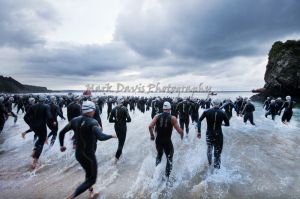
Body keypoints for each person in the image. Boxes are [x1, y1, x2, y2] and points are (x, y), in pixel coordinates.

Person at [59, 101, 116, 199]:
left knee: (88, 173)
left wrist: (62, 146)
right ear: (91, 110)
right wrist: (112, 135)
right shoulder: (93, 122)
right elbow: (101, 137)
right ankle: (72, 196)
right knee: (92, 179)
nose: (94, 111)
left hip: (78, 154)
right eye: (93, 110)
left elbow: (61, 133)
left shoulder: (74, 120)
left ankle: (91, 192)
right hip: (89, 155)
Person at [148, 102, 183, 179]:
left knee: (159, 155)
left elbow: (150, 126)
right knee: (169, 158)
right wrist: (182, 134)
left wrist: (152, 135)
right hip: (167, 141)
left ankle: (156, 174)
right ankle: (166, 178)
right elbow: (179, 131)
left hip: (158, 141)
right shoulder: (173, 118)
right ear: (170, 109)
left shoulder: (157, 116)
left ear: (163, 109)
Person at [23, 95, 55, 169]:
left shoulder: (33, 106)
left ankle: (34, 151)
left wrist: (30, 124)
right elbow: (49, 116)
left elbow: (25, 117)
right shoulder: (46, 106)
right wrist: (53, 121)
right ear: (44, 100)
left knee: (40, 139)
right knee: (41, 143)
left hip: (34, 126)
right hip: (41, 127)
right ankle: (35, 162)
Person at [197, 99, 229, 169]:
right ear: (220, 104)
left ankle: (209, 163)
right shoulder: (223, 113)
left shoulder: (206, 111)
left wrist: (199, 132)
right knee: (217, 152)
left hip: (209, 134)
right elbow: (227, 124)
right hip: (218, 134)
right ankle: (216, 170)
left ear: (212, 104)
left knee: (209, 149)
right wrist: (221, 124)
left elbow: (199, 121)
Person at [109, 96, 131, 164]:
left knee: (120, 141)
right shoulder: (125, 109)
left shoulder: (113, 109)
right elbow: (129, 119)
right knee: (121, 143)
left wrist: (116, 120)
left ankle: (120, 155)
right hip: (123, 127)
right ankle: (115, 159)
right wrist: (123, 120)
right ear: (122, 101)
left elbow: (110, 120)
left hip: (116, 127)